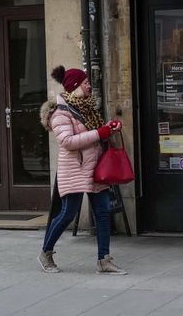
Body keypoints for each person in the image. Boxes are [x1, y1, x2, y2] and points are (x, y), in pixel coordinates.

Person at [37, 65, 127, 274]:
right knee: (68, 213)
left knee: (103, 213)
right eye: (86, 83)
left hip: (95, 168)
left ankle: (103, 261)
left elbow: (97, 133)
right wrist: (100, 132)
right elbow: (67, 141)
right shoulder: (60, 113)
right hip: (74, 169)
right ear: (75, 86)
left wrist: (110, 128)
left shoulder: (87, 108)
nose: (89, 86)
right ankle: (46, 252)